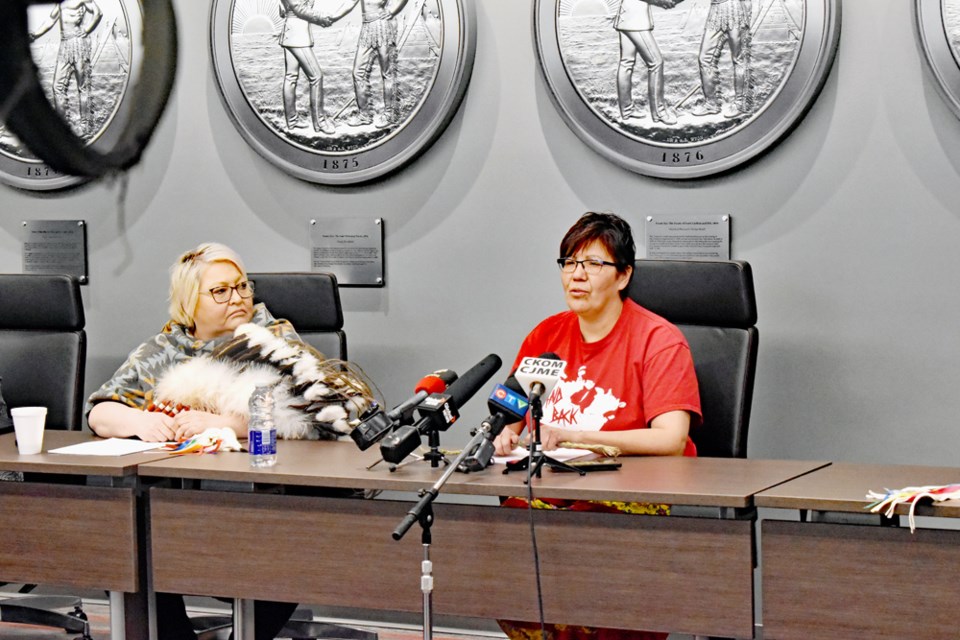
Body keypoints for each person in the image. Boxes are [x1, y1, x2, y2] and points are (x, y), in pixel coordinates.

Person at [492, 212, 702, 640]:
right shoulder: (545, 336)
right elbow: (512, 417)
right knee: (504, 545)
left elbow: (671, 439)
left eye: (592, 264)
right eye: (569, 263)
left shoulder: (659, 340)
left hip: (623, 501)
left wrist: (574, 436)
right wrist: (506, 435)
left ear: (623, 276)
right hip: (549, 496)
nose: (577, 275)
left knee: (586, 557)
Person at [87, 243, 303, 640]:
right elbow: (99, 412)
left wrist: (221, 422)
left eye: (242, 286)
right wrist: (138, 419)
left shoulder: (275, 340)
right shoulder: (161, 350)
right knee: (116, 532)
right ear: (190, 301)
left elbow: (309, 412)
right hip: (173, 500)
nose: (237, 298)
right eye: (220, 291)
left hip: (262, 494)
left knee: (290, 545)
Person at [30, 0, 103, 137]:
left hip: (78, 43)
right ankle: (62, 124)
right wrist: (35, 34)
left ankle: (85, 125)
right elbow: (50, 22)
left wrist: (87, 30)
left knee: (83, 86)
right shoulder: (59, 3)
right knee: (57, 86)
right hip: (65, 45)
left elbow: (98, 12)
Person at [615, 0, 680, 125]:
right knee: (656, 62)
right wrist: (662, 2)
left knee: (626, 62)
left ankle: (626, 110)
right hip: (635, 19)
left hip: (626, 16)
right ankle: (659, 112)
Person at [278, 0, 336, 134]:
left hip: (291, 32)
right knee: (316, 76)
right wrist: (322, 18)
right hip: (297, 35)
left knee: (291, 76)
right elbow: (300, 10)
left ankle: (292, 121)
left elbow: (282, 12)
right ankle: (319, 123)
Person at [692, 0, 753, 118]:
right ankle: (711, 104)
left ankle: (741, 103)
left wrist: (748, 10)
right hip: (715, 10)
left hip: (735, 8)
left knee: (739, 59)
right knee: (704, 58)